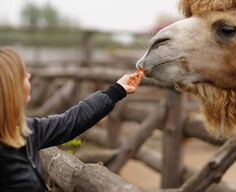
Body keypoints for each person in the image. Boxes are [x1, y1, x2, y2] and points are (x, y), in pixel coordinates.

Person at [0, 47, 143, 192]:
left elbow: (68, 122)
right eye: (22, 74)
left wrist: (116, 90)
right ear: (9, 86)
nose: (29, 75)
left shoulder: (23, 130)